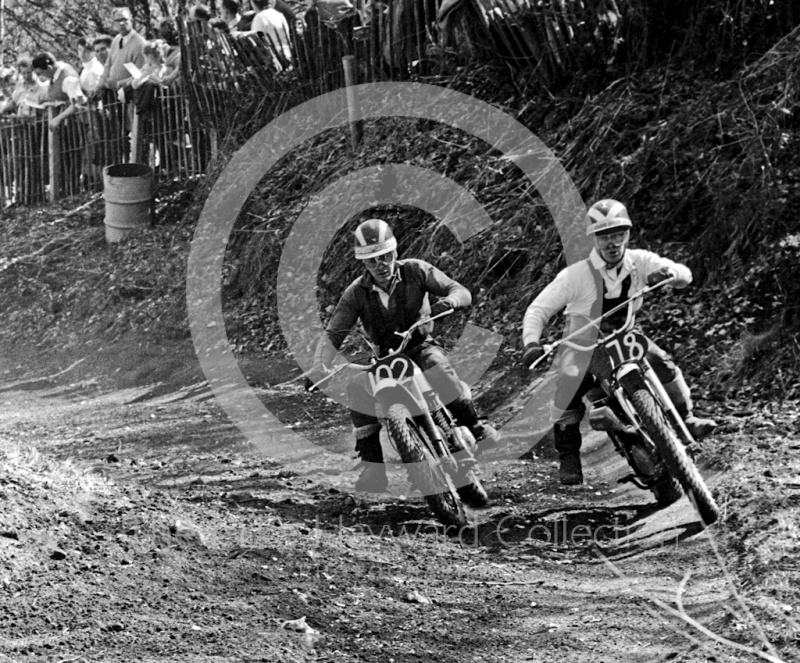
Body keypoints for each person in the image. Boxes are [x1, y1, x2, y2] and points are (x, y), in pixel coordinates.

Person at [521, 199, 717, 485]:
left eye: (618, 235)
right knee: (568, 385)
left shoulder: (639, 261)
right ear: (594, 239)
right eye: (604, 236)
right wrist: (531, 343)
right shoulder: (576, 274)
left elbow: (684, 275)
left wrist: (671, 274)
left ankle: (685, 418)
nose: (612, 243)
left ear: (627, 234)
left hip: (626, 335)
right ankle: (569, 457)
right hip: (583, 343)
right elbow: (538, 310)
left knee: (661, 362)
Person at [310, 219, 500, 492]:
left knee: (436, 364)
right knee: (356, 388)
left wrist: (450, 301)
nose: (381, 265)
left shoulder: (417, 271)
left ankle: (476, 425)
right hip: (386, 359)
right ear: (364, 263)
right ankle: (373, 469)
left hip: (421, 346)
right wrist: (320, 366)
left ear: (395, 252)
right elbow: (334, 332)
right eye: (373, 260)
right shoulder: (355, 293)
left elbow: (459, 290)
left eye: (385, 256)